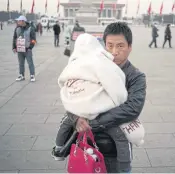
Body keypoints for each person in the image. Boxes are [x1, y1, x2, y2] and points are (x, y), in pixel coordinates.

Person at [52, 22, 146, 173]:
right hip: (84, 147)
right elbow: (72, 98)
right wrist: (76, 118)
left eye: (120, 46)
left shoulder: (136, 76)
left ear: (130, 47)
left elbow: (132, 109)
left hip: (114, 151)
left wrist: (93, 123)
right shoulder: (89, 68)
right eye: (110, 45)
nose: (114, 51)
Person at [12, 15, 36, 82]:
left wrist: (30, 47)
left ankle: (32, 75)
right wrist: (14, 47)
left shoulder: (30, 28)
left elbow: (33, 39)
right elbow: (14, 38)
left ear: (23, 21)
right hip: (19, 49)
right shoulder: (17, 28)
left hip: (27, 49)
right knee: (21, 63)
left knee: (30, 63)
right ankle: (21, 75)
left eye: (19, 21)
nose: (18, 22)